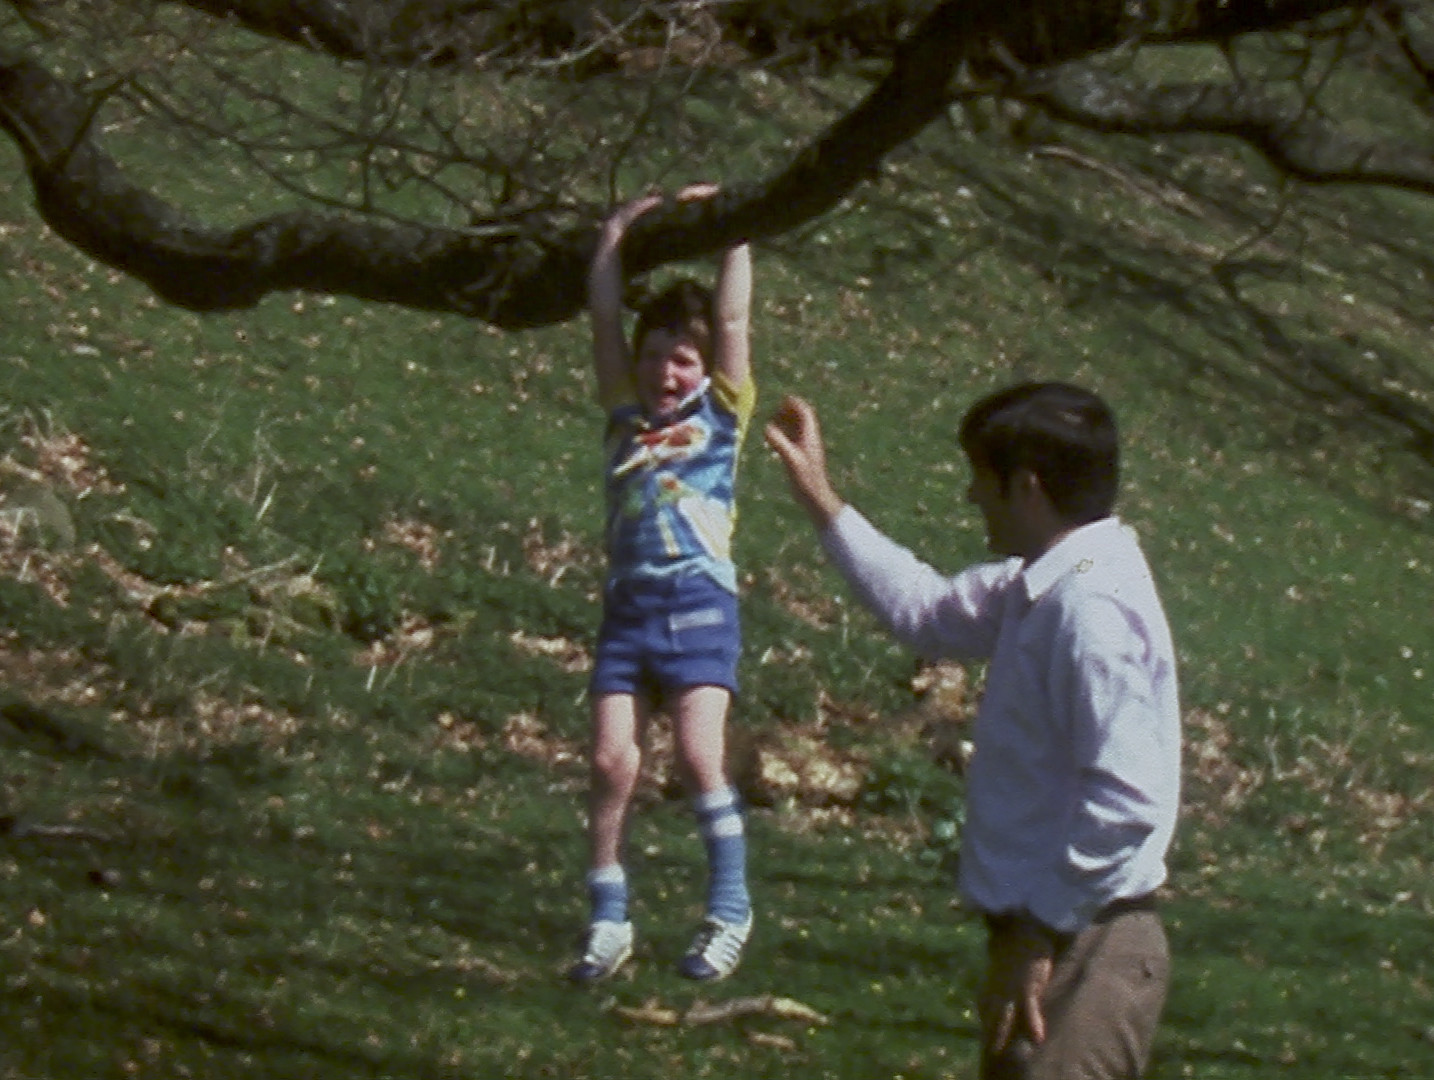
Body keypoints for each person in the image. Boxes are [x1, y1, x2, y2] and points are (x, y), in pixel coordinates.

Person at [765, 383, 1180, 1079]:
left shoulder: (1089, 612)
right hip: (1049, 934)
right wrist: (821, 498)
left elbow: (1128, 801)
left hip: (1086, 945)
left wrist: (1040, 931)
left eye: (981, 478)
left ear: (1026, 487)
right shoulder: (1045, 583)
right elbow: (927, 612)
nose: (970, 496)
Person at [567, 189, 756, 984]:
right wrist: (614, 236)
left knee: (697, 756)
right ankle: (607, 919)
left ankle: (730, 909)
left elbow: (734, 320)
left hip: (699, 603)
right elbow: (604, 321)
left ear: (705, 369)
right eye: (654, 356)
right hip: (628, 611)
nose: (664, 372)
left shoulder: (723, 416)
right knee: (611, 762)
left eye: (682, 359)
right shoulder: (623, 411)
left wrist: (735, 232)